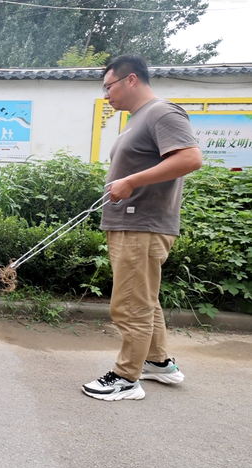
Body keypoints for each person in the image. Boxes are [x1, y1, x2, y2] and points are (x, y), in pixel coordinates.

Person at [82, 55, 202, 401]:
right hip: (131, 223)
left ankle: (125, 378)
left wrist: (130, 181)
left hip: (143, 224)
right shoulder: (138, 119)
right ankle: (158, 362)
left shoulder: (162, 112)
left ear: (130, 79)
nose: (107, 95)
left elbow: (190, 158)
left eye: (109, 86)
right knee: (143, 298)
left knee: (131, 303)